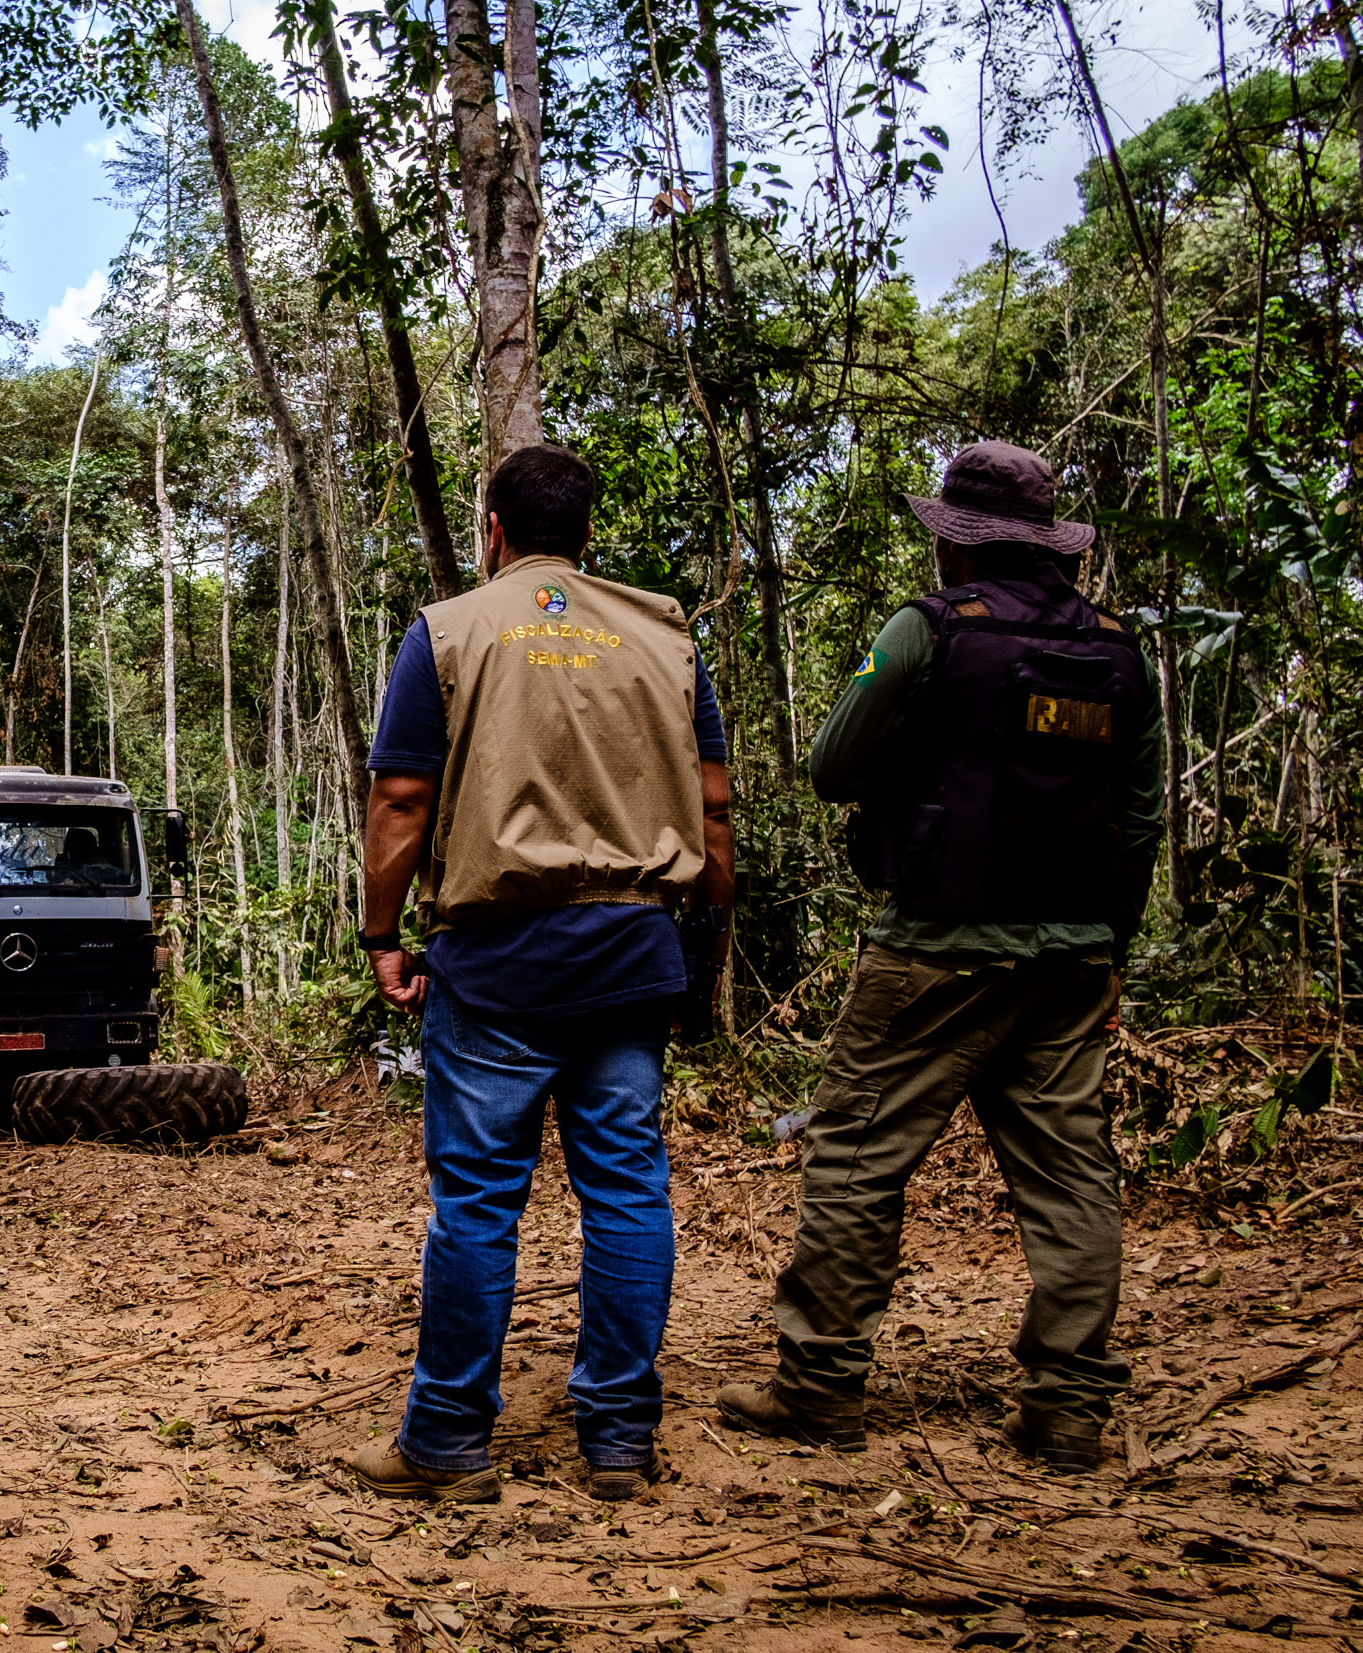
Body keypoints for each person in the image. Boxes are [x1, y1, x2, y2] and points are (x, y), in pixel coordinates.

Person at [716, 440, 1163, 1475]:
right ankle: (1065, 1410)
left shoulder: (925, 632)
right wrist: (1108, 954)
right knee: (1069, 1175)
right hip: (1069, 952)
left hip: (932, 948)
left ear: (959, 546)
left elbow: (829, 766)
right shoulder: (1115, 651)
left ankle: (819, 1385)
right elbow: (1136, 820)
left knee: (854, 1156)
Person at [341, 441, 735, 1505]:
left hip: (499, 957)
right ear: (586, 536)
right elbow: (711, 806)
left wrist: (381, 935)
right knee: (623, 1189)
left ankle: (446, 1442)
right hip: (630, 950)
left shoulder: (450, 631)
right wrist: (707, 941)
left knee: (475, 1201)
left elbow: (402, 804)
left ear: (493, 530)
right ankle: (616, 1441)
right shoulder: (661, 633)